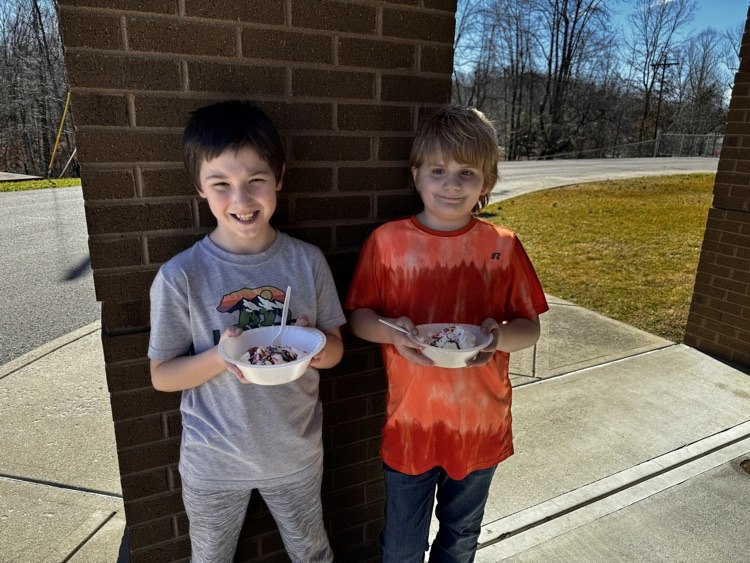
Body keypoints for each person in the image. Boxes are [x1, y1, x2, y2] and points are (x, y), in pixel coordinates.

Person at [345, 105, 549, 562]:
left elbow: (529, 326)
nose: (451, 184)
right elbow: (359, 317)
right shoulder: (387, 242)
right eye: (438, 170)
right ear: (416, 175)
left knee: (460, 538)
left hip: (481, 422)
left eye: (466, 172)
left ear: (487, 182)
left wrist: (495, 339)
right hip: (410, 421)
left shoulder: (503, 245)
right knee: (400, 546)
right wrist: (392, 334)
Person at [148, 100, 345, 563]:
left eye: (255, 180)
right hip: (213, 461)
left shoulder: (307, 261)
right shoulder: (181, 276)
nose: (241, 199)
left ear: (279, 177)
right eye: (221, 184)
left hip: (295, 453)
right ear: (200, 187)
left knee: (312, 553)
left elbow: (336, 348)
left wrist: (314, 347)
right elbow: (162, 375)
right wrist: (221, 356)